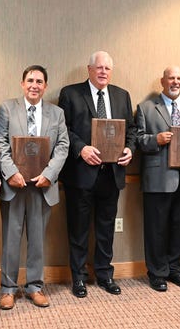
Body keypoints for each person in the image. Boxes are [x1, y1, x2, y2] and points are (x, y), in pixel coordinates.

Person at [59, 51, 138, 297]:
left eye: (107, 68)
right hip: (81, 174)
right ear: (89, 69)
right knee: (79, 229)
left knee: (106, 229)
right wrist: (81, 149)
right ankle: (79, 278)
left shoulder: (121, 95)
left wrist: (129, 149)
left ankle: (104, 275)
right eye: (99, 67)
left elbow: (131, 131)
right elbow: (64, 129)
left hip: (111, 174)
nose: (103, 72)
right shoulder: (70, 93)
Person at [0, 65, 69, 309]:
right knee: (11, 238)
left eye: (39, 81)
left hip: (42, 185)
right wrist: (11, 173)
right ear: (22, 83)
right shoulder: (7, 108)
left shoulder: (56, 113)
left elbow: (62, 146)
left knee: (37, 239)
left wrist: (49, 174)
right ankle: (8, 288)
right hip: (14, 185)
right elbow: (1, 143)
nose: (34, 85)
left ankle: (35, 286)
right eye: (30, 80)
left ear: (45, 86)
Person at [135, 66, 180, 292]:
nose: (175, 82)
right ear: (162, 81)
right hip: (158, 177)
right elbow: (138, 140)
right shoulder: (145, 108)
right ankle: (157, 273)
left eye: (179, 78)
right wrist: (156, 139)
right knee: (156, 228)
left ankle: (176, 270)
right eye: (171, 78)